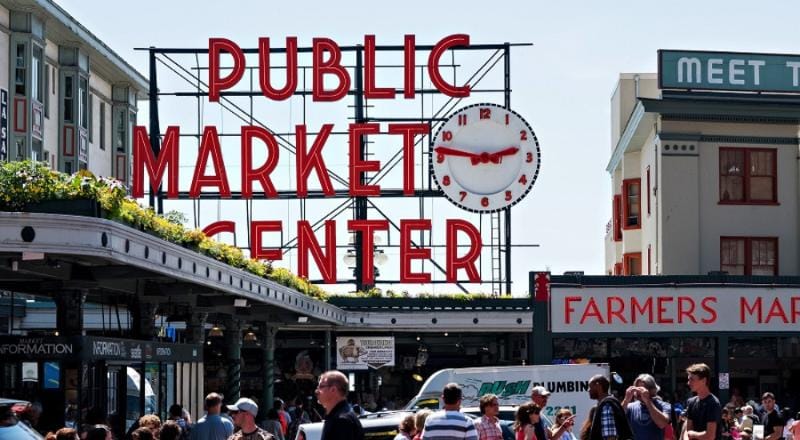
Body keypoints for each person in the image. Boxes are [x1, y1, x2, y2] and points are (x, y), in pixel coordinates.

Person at [316, 370, 364, 440]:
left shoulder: (342, 421)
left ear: (333, 390)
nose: (317, 391)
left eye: (320, 386)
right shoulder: (337, 416)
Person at [621, 373, 671, 440]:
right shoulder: (631, 406)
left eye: (642, 389)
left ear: (652, 390)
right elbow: (617, 418)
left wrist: (648, 401)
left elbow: (662, 424)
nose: (639, 392)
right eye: (637, 388)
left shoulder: (664, 405)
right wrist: (626, 400)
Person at [587, 374, 633, 440]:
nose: (588, 390)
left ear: (598, 386)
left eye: (590, 387)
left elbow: (610, 437)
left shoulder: (606, 405)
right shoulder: (612, 402)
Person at [682, 363, 721, 440]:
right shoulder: (691, 402)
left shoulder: (713, 403)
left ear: (703, 380)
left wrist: (693, 434)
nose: (688, 383)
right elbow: (688, 431)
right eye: (688, 379)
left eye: (692, 379)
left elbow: (710, 436)